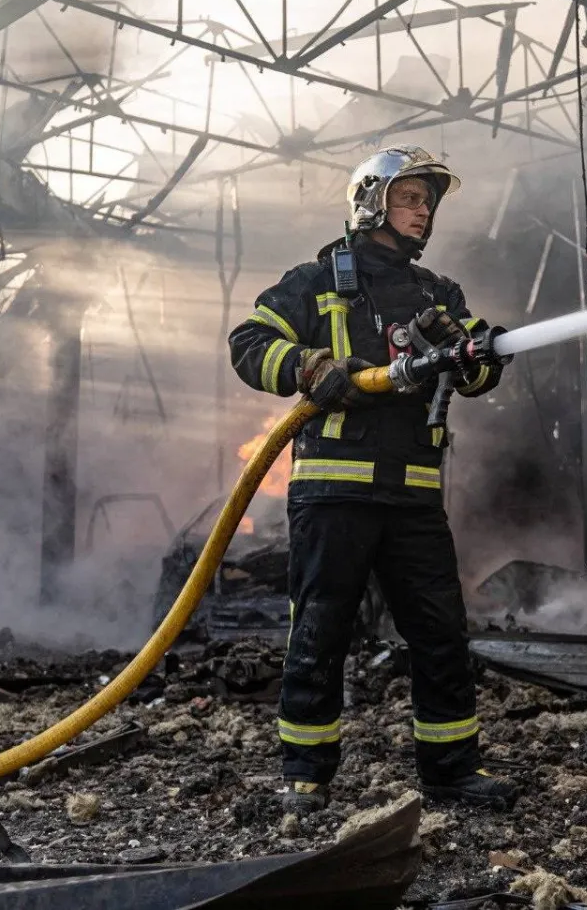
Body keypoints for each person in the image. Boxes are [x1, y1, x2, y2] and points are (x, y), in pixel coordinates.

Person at [227, 145, 517, 813]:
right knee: (320, 630)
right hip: (334, 495)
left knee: (440, 634)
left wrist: (469, 349)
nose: (422, 212)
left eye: (427, 201)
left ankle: (450, 772)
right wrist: (308, 366)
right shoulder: (318, 280)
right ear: (372, 200)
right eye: (410, 198)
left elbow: (477, 371)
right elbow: (248, 343)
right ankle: (305, 773)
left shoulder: (437, 295)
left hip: (413, 497)